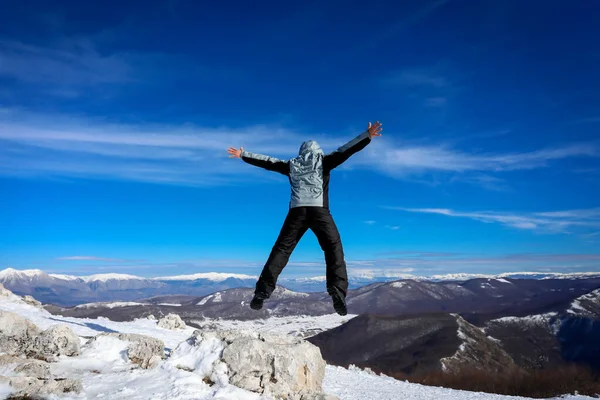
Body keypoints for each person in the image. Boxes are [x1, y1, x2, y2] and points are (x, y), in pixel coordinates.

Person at [227, 121, 382, 315]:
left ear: (301, 152)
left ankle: (262, 293)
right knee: (333, 248)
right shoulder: (324, 161)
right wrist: (366, 135)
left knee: (281, 251)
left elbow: (268, 162)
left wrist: (244, 155)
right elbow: (346, 150)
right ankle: (337, 291)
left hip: (296, 212)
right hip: (320, 212)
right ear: (318, 151)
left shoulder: (292, 165)